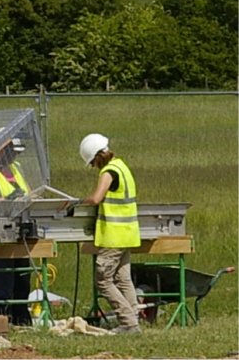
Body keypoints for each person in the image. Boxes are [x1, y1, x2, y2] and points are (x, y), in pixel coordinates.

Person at [79, 133, 141, 334]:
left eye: (92, 162)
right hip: (128, 233)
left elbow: (97, 198)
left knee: (103, 280)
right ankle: (134, 320)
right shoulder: (122, 167)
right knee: (123, 279)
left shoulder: (108, 172)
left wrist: (80, 202)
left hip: (114, 235)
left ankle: (128, 322)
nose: (93, 166)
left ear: (97, 157)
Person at [0, 139, 32, 325]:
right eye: (10, 152)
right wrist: (4, 200)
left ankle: (21, 318)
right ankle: (0, 317)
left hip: (20, 233)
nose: (14, 156)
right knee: (3, 279)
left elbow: (29, 192)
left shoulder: (16, 168)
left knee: (23, 280)